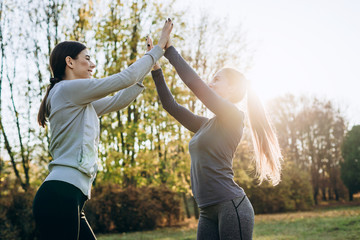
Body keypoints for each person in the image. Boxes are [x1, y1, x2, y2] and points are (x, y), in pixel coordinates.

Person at [32, 19, 173, 240]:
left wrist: (150, 64)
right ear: (69, 62)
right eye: (87, 59)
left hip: (69, 197)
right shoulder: (67, 90)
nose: (92, 64)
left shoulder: (75, 101)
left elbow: (118, 100)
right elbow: (124, 78)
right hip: (60, 195)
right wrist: (158, 49)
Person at [147, 34, 282, 240]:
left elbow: (196, 86)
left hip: (231, 206)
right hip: (206, 211)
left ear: (232, 89)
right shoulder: (205, 125)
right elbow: (171, 106)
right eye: (211, 79)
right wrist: (156, 69)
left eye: (216, 79)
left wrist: (170, 50)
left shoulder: (234, 117)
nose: (210, 84)